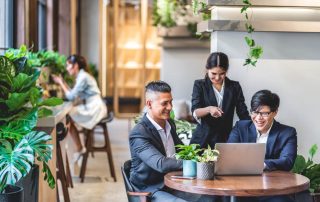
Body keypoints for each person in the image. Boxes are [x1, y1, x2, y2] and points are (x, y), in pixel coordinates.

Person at [129, 81, 213, 202]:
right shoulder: (139, 133)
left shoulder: (169, 124)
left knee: (209, 198)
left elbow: (181, 150)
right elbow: (161, 164)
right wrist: (196, 162)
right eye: (165, 103)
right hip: (151, 189)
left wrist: (204, 156)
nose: (170, 107)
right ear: (149, 104)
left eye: (171, 102)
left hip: (172, 183)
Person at [228, 90, 297, 202]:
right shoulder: (240, 127)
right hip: (240, 188)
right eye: (254, 112)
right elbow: (229, 154)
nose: (258, 118)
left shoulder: (287, 133)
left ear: (275, 112)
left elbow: (287, 161)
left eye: (264, 113)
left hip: (272, 190)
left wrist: (262, 164)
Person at [52, 55, 107, 162]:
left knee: (68, 116)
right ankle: (78, 148)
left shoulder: (83, 77)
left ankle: (76, 149)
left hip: (94, 108)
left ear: (75, 65)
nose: (67, 68)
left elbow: (71, 97)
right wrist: (62, 82)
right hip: (93, 106)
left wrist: (60, 82)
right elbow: (73, 94)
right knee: (69, 117)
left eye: (68, 65)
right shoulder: (83, 76)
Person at [190, 52, 250, 148]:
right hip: (202, 140)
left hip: (225, 139)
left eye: (222, 73)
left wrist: (254, 130)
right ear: (207, 69)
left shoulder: (235, 87)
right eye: (213, 73)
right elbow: (195, 112)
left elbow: (243, 113)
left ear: (226, 71)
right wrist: (209, 109)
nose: (217, 78)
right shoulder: (199, 85)